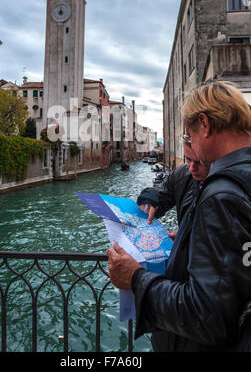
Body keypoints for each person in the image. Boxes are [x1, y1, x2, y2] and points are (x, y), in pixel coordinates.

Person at [107, 81, 251, 352]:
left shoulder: (222, 195)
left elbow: (205, 316)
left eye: (191, 134)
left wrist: (136, 279)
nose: (194, 159)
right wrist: (191, 236)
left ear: (204, 124)